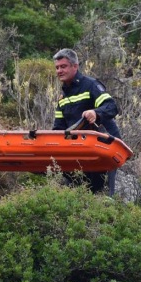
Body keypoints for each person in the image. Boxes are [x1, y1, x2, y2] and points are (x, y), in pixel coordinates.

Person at [52, 48, 122, 195]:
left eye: (63, 66)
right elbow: (58, 129)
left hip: (105, 148)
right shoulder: (62, 98)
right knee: (82, 190)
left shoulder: (90, 85)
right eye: (57, 68)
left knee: (102, 192)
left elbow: (112, 106)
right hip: (81, 150)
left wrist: (95, 113)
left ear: (75, 66)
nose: (59, 71)